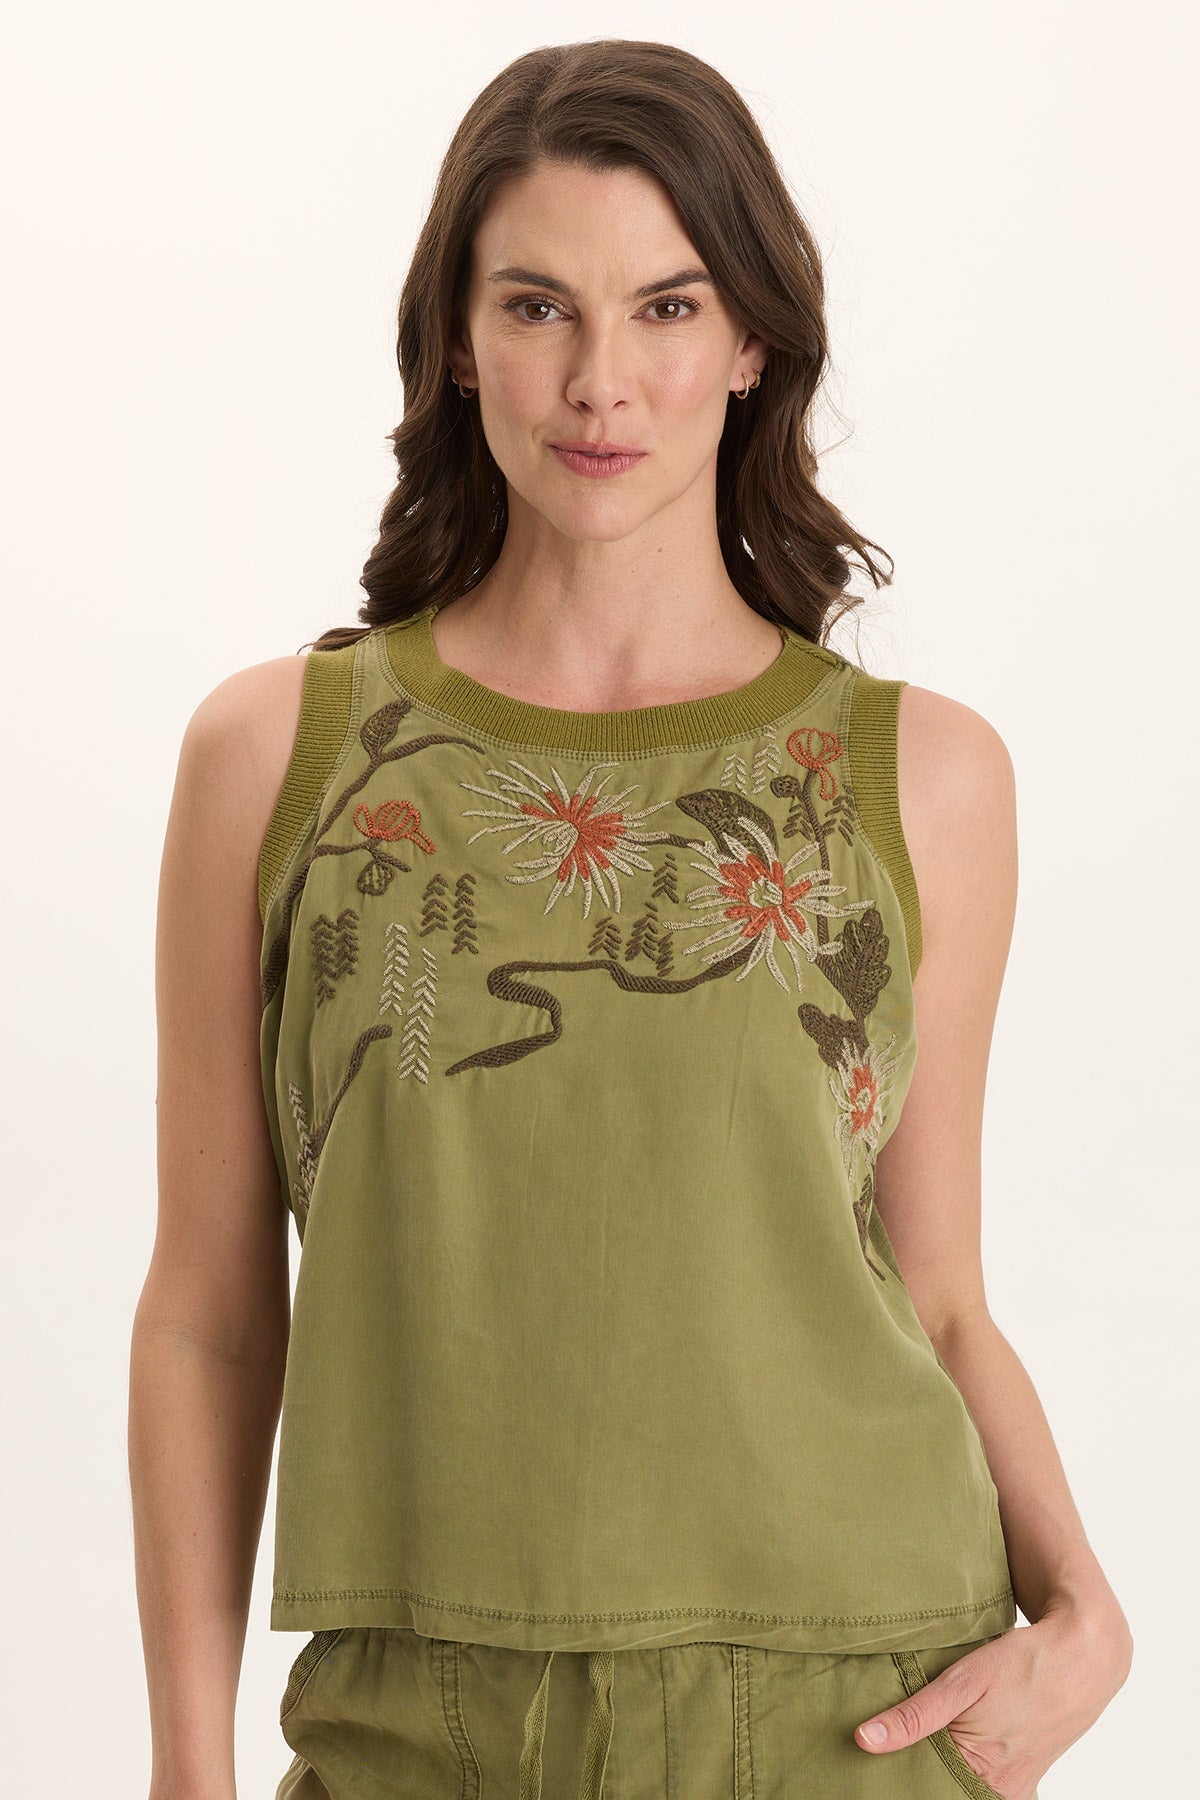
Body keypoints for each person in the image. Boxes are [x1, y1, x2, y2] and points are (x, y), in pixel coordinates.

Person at [129, 37, 1133, 1800]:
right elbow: (210, 1314)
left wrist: (1091, 1614)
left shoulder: (925, 778)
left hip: (856, 1707)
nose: (601, 383)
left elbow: (940, 1290)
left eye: (668, 308)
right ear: (458, 339)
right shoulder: (281, 756)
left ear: (752, 342)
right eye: (538, 307)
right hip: (415, 1719)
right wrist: (182, 1771)